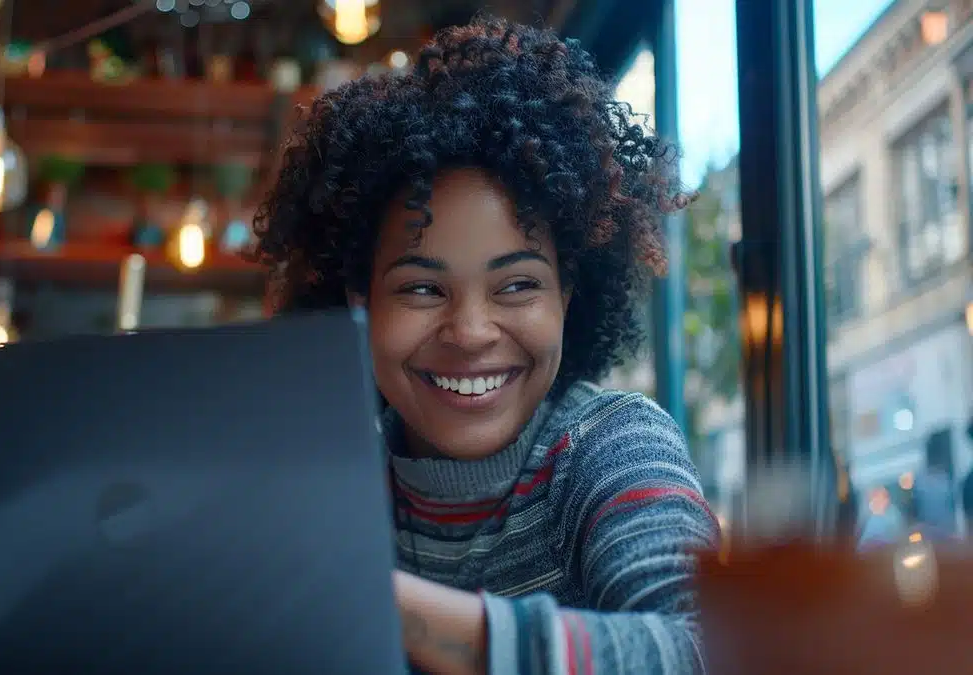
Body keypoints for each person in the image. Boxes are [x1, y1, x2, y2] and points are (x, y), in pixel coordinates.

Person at [253, 16, 718, 675]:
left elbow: (711, 649)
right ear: (361, 301)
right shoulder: (328, 481)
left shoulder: (610, 445)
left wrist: (373, 603)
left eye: (518, 284)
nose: (470, 332)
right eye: (421, 289)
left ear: (567, 293)